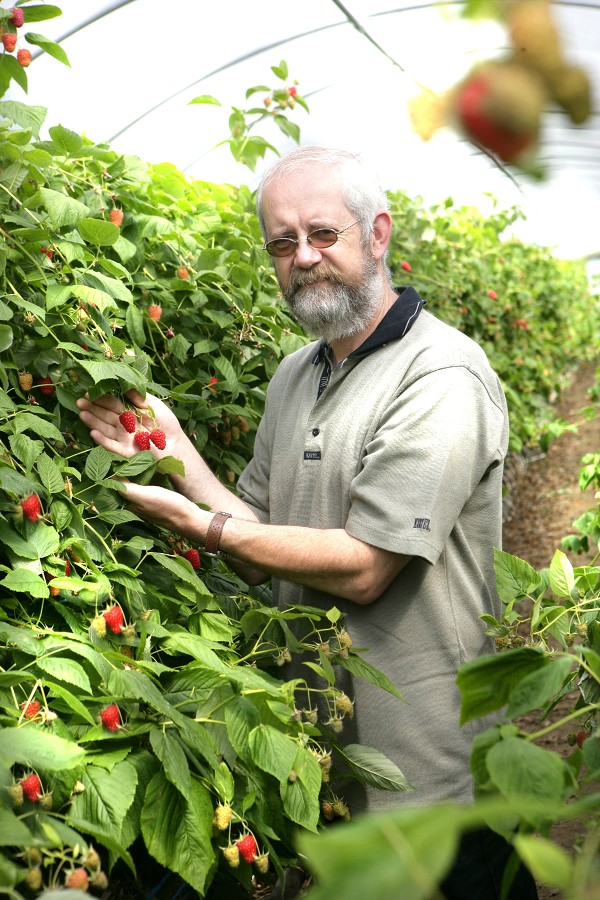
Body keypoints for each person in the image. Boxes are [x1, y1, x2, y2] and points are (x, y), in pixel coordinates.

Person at [77, 145, 537, 899]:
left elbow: (364, 566)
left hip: (433, 777)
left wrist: (203, 527)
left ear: (378, 233)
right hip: (324, 762)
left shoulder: (441, 375)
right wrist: (176, 454)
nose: (304, 257)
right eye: (283, 244)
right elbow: (263, 542)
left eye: (324, 234)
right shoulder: (298, 372)